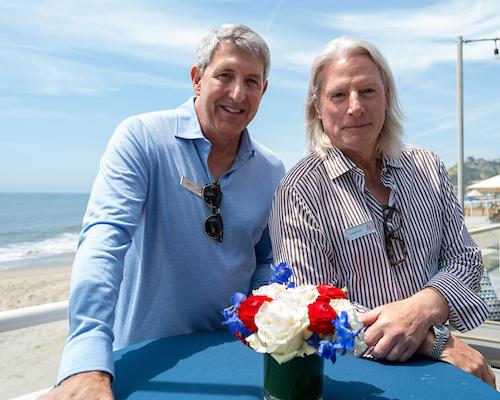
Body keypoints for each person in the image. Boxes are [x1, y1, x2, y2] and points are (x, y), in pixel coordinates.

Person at [41, 24, 285, 399]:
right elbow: (104, 240)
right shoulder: (140, 137)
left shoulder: (271, 169)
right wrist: (86, 361)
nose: (238, 93)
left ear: (263, 91)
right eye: (225, 75)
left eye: (252, 81)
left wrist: (263, 318)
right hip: (145, 361)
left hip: (234, 359)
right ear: (197, 79)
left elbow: (266, 258)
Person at [269, 36, 496, 387]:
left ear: (387, 96)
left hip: (441, 370)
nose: (355, 107)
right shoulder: (300, 190)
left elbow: (465, 260)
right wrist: (436, 342)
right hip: (360, 378)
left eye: (367, 91)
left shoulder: (427, 166)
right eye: (339, 94)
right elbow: (312, 308)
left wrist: (423, 308)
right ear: (317, 105)